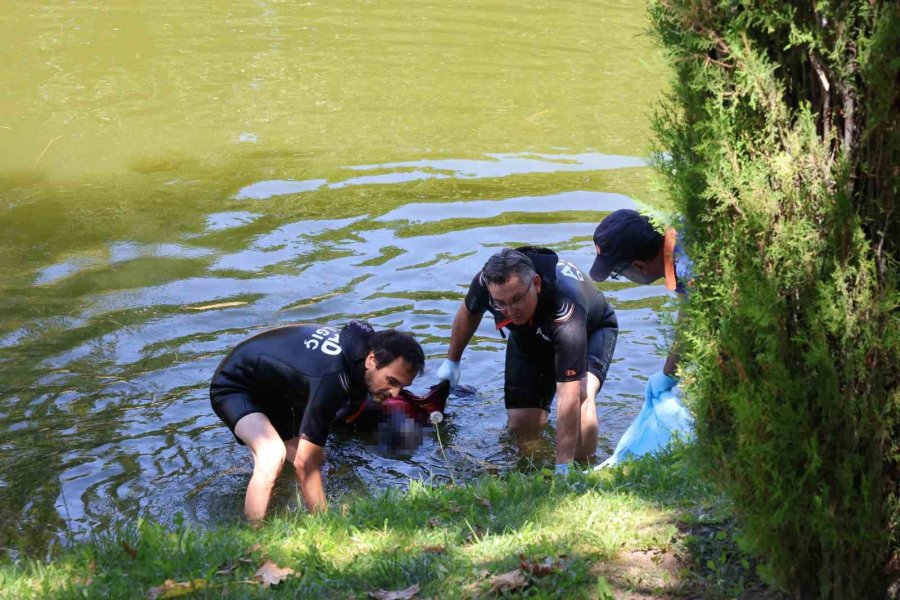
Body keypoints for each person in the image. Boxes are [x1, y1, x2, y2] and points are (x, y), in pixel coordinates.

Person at [210, 320, 425, 520]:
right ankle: (254, 546)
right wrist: (325, 522)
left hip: (277, 390)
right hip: (235, 385)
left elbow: (310, 459)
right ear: (371, 360)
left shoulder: (363, 354)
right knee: (272, 456)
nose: (395, 394)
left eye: (402, 387)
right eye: (391, 381)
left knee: (318, 461)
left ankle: (269, 489)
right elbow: (306, 464)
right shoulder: (333, 379)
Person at [437, 247, 618, 473]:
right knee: (521, 425)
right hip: (530, 336)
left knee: (581, 395)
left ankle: (582, 471)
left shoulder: (565, 310)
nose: (510, 311)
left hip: (590, 332)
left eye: (517, 299)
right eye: (500, 303)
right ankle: (530, 471)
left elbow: (568, 400)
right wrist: (452, 361)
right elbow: (469, 312)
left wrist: (563, 469)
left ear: (537, 284)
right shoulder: (486, 282)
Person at [589, 208, 693, 400]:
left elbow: (694, 319)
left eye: (618, 272)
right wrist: (669, 372)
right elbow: (688, 311)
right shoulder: (679, 229)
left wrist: (668, 374)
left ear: (639, 266)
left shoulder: (688, 270)